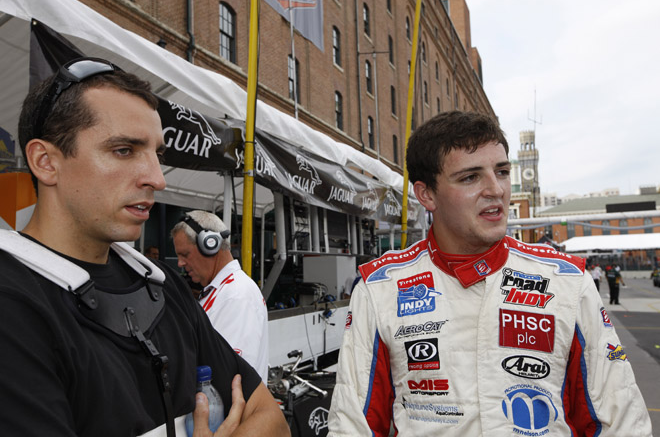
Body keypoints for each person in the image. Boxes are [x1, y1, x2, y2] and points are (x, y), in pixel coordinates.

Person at [0, 57, 289, 437]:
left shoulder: (162, 284)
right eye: (124, 150)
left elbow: (273, 421)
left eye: (158, 155)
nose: (157, 178)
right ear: (45, 162)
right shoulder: (13, 303)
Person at [327, 111, 652, 436]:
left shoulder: (565, 280)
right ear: (426, 195)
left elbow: (620, 420)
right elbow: (352, 426)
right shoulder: (380, 288)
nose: (496, 189)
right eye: (470, 177)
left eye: (502, 172)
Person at [172, 211, 269, 382]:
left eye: (185, 254)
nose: (180, 263)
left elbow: (230, 376)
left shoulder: (236, 295)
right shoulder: (223, 290)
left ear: (210, 245)